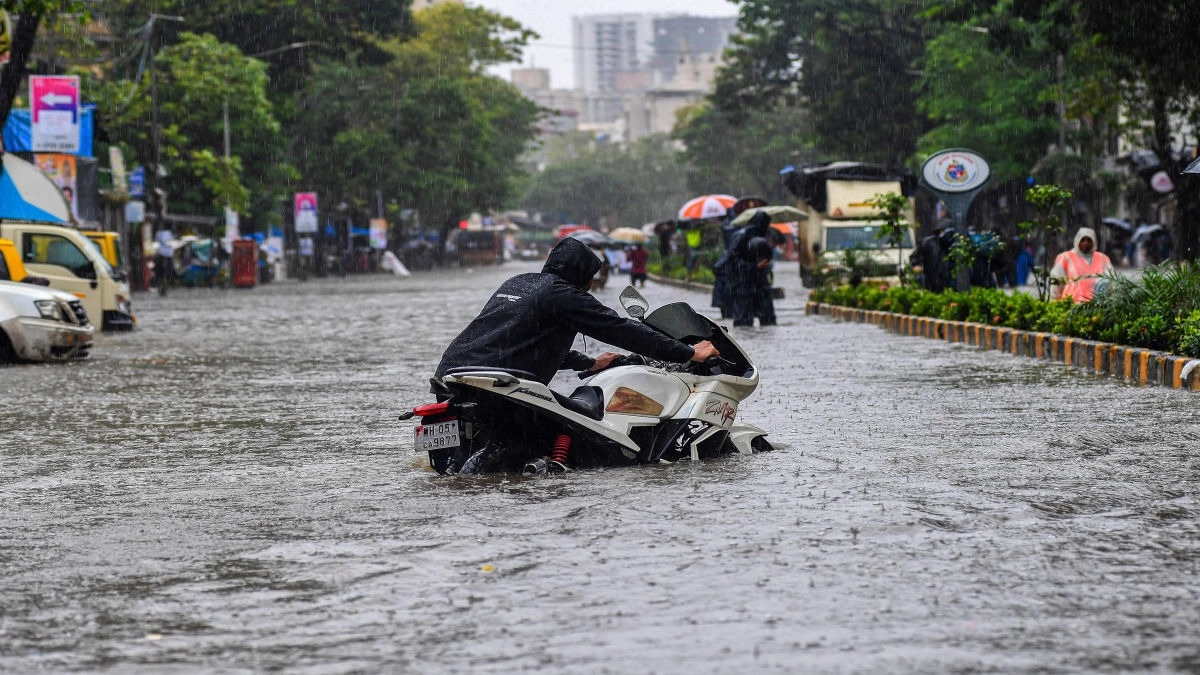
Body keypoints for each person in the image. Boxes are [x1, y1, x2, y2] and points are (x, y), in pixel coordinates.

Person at [434, 237, 719, 387]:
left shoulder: (519, 282)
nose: (593, 282)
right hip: (496, 383)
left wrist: (589, 363)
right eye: (592, 274)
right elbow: (621, 330)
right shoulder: (565, 295)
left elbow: (519, 343)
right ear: (580, 273)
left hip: (452, 375)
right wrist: (689, 353)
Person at [1050, 227, 1113, 303]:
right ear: (1077, 241)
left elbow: (1112, 281)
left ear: (1094, 241)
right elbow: (1057, 282)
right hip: (1071, 304)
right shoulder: (1065, 257)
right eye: (1083, 240)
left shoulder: (1102, 258)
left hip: (1096, 306)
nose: (1086, 243)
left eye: (1089, 240)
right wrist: (1054, 302)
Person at [727, 236, 777, 327]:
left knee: (767, 319)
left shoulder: (763, 250)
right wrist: (755, 267)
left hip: (760, 288)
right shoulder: (740, 257)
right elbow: (739, 270)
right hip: (744, 290)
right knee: (743, 321)